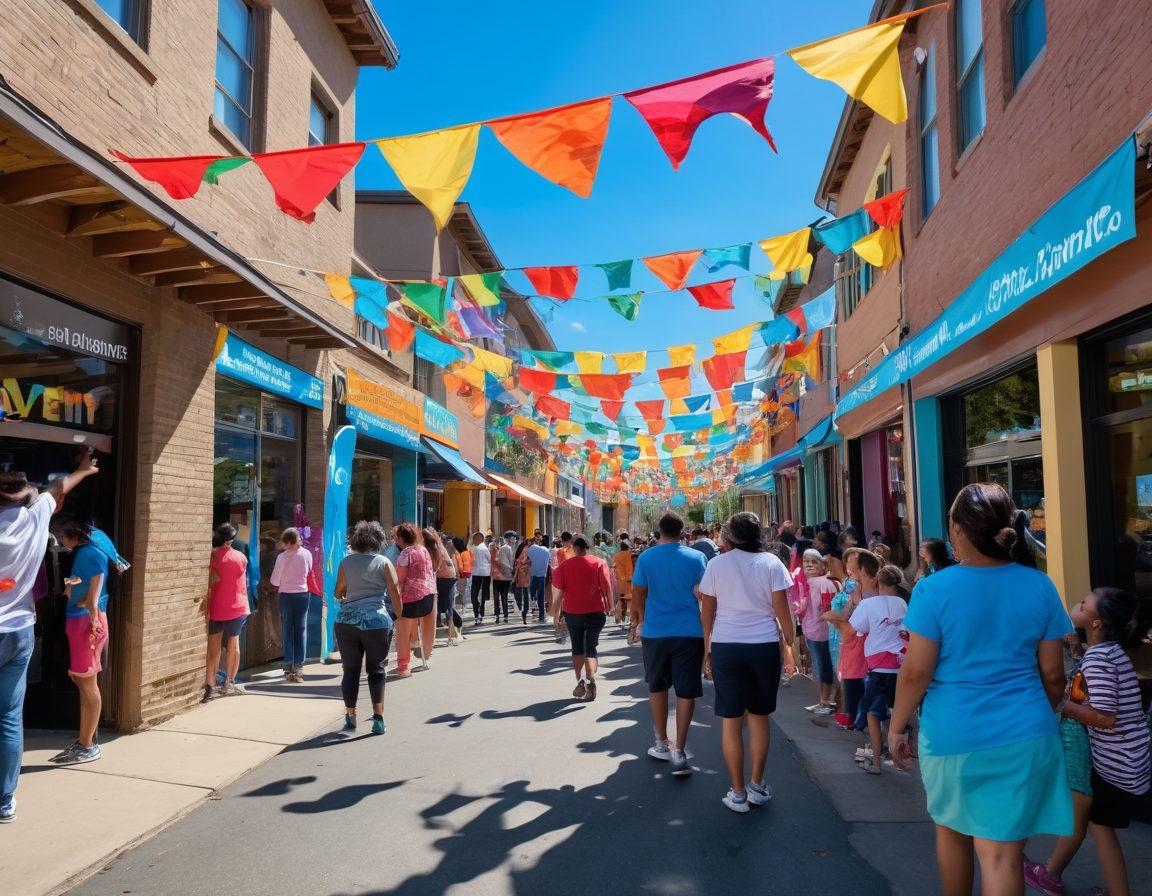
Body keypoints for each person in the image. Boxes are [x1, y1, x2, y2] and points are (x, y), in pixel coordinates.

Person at [888, 483, 1073, 896]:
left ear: (956, 531)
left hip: (955, 734)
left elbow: (916, 672)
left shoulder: (933, 589)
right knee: (1003, 856)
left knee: (952, 831)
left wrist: (897, 726)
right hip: (1026, 732)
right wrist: (1033, 715)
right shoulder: (1039, 585)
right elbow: (1054, 676)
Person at [0, 456, 99, 821]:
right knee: (9, 716)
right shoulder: (35, 517)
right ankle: (5, 799)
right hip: (19, 631)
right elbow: (57, 489)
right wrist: (84, 470)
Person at [1050, 587, 1151, 896]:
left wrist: (1057, 704)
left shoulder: (1099, 660)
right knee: (1100, 828)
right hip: (1129, 761)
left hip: (1118, 767)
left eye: (1083, 603)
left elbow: (1105, 717)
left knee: (1101, 830)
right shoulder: (1109, 653)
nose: (1077, 604)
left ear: (1095, 623)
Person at [699, 512, 794, 813]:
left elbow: (707, 611)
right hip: (763, 645)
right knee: (759, 716)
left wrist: (707, 648)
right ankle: (757, 784)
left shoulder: (716, 564)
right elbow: (782, 610)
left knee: (730, 720)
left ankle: (737, 792)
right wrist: (790, 643)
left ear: (730, 535)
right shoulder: (771, 563)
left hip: (726, 644)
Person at [631, 511, 707, 776]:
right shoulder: (697, 557)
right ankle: (681, 749)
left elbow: (638, 593)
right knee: (686, 691)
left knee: (658, 687)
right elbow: (705, 594)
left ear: (658, 531)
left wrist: (637, 621)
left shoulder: (646, 557)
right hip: (690, 631)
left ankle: (661, 742)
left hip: (655, 631)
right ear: (682, 531)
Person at [47, 515, 112, 766]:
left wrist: (94, 619)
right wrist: (67, 589)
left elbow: (95, 591)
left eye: (61, 536)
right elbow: (80, 580)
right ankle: (84, 740)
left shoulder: (91, 554)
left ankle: (88, 744)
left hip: (86, 622)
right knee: (83, 681)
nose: (60, 540)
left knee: (87, 683)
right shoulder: (83, 552)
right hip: (80, 620)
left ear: (70, 532)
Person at [334, 521, 402, 735]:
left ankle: (351, 715)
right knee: (377, 669)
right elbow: (395, 593)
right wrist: (398, 617)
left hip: (347, 623)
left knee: (350, 670)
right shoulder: (384, 562)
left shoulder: (346, 562)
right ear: (379, 540)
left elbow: (338, 593)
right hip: (376, 622)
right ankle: (378, 718)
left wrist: (350, 594)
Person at [849, 564, 909, 775]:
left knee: (873, 714)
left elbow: (858, 626)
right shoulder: (903, 603)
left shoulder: (868, 603)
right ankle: (899, 759)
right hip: (900, 666)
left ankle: (876, 761)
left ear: (877, 583)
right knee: (897, 714)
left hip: (877, 667)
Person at [551, 536, 613, 702]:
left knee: (577, 649)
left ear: (575, 548)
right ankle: (591, 681)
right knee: (591, 648)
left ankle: (581, 681)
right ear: (587, 547)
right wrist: (610, 607)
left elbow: (559, 592)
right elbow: (606, 587)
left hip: (573, 613)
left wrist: (555, 613)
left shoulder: (565, 566)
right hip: (595, 611)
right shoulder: (599, 563)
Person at [203, 522, 250, 703]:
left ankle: (210, 684)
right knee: (233, 645)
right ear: (231, 539)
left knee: (213, 649)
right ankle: (229, 683)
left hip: (216, 607)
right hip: (237, 606)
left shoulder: (212, 557)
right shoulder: (241, 557)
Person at [795, 549, 838, 715]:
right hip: (814, 630)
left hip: (823, 632)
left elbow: (827, 608)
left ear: (823, 567)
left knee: (824, 665)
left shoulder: (823, 583)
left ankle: (826, 701)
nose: (809, 564)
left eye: (814, 562)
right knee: (822, 665)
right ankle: (824, 700)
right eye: (806, 561)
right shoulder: (810, 582)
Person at [269, 527, 312, 683]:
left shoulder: (282, 557)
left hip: (286, 596)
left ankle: (288, 665)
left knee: (287, 630)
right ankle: (299, 666)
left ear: (287, 542)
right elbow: (309, 570)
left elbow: (274, 580)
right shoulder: (307, 554)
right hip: (303, 595)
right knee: (301, 630)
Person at [393, 524, 437, 677]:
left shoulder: (406, 553)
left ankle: (403, 666)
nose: (395, 540)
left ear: (401, 538)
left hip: (411, 598)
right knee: (423, 625)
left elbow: (399, 578)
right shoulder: (422, 549)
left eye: (395, 537)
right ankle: (424, 652)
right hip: (428, 595)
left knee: (402, 631)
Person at [434, 532, 460, 646]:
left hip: (442, 580)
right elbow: (454, 566)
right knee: (448, 606)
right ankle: (452, 633)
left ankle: (450, 631)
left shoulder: (438, 550)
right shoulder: (445, 550)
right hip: (449, 579)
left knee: (442, 606)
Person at [491, 532, 515, 624]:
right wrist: (511, 572)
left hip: (496, 576)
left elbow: (492, 562)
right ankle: (505, 616)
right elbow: (510, 561)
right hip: (505, 577)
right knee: (504, 597)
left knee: (497, 597)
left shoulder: (493, 551)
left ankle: (497, 615)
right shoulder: (508, 548)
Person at [468, 531, 491, 624]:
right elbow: (489, 559)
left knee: (475, 594)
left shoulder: (476, 549)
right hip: (484, 573)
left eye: (474, 538)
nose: (473, 540)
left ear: (480, 538)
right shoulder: (483, 548)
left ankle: (477, 613)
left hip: (477, 574)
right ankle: (480, 613)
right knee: (482, 595)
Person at [613, 534, 635, 630]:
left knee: (621, 600)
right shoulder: (631, 555)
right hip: (630, 580)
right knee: (631, 600)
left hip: (620, 581)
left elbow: (614, 566)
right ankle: (631, 620)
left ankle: (621, 619)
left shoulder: (616, 556)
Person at [528, 533, 551, 623]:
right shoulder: (546, 550)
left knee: (532, 592)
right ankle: (541, 614)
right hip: (543, 575)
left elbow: (529, 560)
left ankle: (532, 608)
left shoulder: (531, 549)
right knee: (541, 595)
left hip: (534, 574)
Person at [452, 536, 472, 629]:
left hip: (460, 576)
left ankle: (459, 617)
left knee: (458, 596)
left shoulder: (457, 554)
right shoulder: (468, 552)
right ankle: (462, 613)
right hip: (467, 575)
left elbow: (458, 566)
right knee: (463, 595)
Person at [513, 538, 532, 624]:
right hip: (525, 572)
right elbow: (528, 561)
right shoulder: (527, 550)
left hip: (518, 572)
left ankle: (519, 606)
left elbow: (515, 560)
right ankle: (525, 610)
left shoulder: (519, 549)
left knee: (519, 590)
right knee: (526, 592)